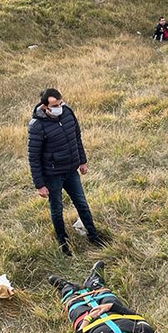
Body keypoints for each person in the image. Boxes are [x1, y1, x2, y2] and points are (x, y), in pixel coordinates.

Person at [28, 88, 105, 256]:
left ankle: (94, 236)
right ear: (45, 106)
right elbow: (33, 157)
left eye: (60, 103)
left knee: (82, 204)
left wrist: (82, 161)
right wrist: (40, 184)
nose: (59, 107)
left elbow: (76, 138)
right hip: (53, 175)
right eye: (55, 105)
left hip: (71, 171)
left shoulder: (68, 113)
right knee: (57, 209)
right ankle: (63, 244)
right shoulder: (37, 126)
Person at [49, 261, 155, 333]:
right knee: (107, 296)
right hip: (111, 311)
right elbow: (137, 317)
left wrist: (86, 321)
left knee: (74, 306)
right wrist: (112, 307)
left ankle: (66, 288)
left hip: (88, 322)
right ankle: (95, 282)